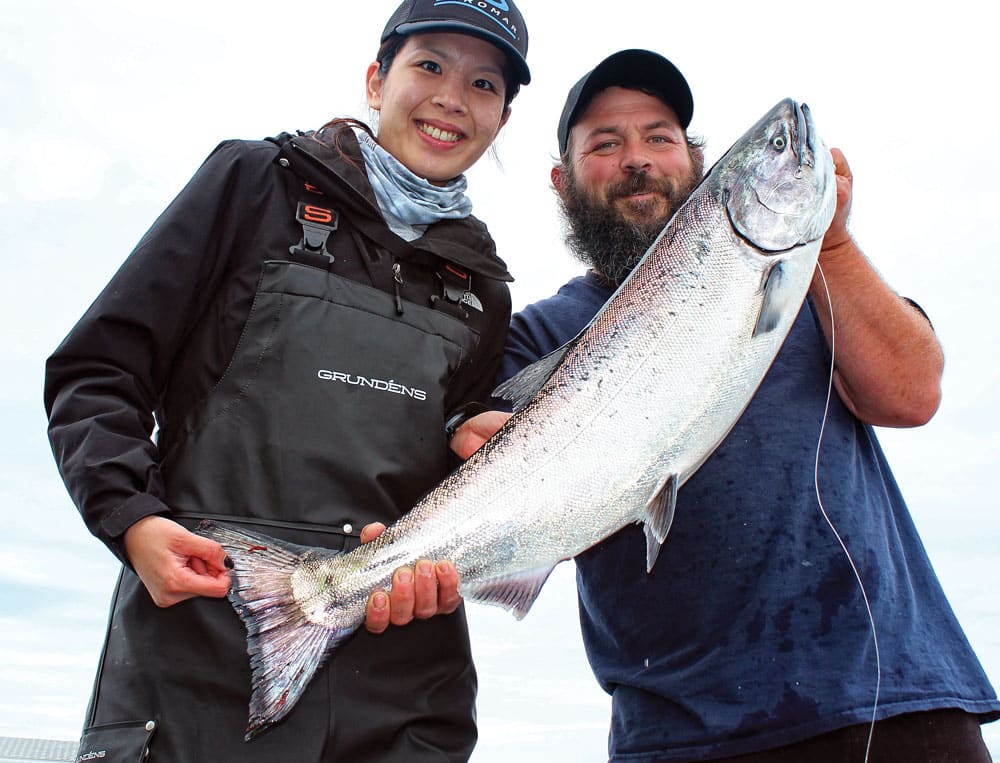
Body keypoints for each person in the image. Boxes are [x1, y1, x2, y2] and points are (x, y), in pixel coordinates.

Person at [378, 49, 1000, 760]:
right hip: (676, 734)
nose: (637, 159)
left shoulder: (807, 280)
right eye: (605, 144)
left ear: (698, 161)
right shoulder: (537, 335)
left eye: (660, 136)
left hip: (893, 703)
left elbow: (913, 394)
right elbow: (481, 468)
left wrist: (829, 238)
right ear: (561, 179)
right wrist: (467, 444)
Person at [43, 1, 530, 760]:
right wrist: (131, 518)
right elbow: (99, 370)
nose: (452, 98)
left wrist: (466, 483)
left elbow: (456, 471)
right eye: (430, 65)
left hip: (402, 693)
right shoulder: (252, 185)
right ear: (377, 80)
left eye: (484, 84)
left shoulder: (486, 288)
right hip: (201, 659)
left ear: (501, 119)